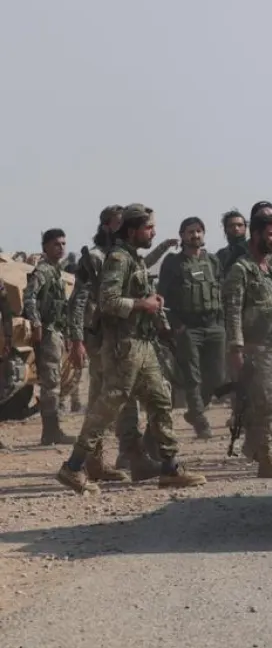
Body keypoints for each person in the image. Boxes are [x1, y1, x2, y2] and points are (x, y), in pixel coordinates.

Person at [55, 205, 206, 493]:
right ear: (133, 230)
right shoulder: (117, 258)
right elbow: (108, 300)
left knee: (160, 400)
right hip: (123, 345)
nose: (154, 232)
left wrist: (153, 309)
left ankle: (171, 468)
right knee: (110, 403)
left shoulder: (134, 258)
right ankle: (73, 467)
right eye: (149, 228)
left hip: (142, 343)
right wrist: (141, 305)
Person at [66, 205, 156, 479]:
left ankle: (128, 457)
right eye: (119, 224)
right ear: (107, 226)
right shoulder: (95, 258)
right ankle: (96, 461)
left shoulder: (126, 256)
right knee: (106, 400)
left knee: (120, 398)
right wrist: (76, 340)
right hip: (100, 339)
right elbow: (78, 301)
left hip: (125, 338)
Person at [223, 213, 272, 479]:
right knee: (265, 405)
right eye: (270, 235)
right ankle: (266, 460)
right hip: (255, 349)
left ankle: (269, 448)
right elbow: (233, 310)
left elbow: (269, 302)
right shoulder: (241, 270)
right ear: (255, 236)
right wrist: (236, 348)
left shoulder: (268, 269)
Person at [157, 216, 224, 439]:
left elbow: (221, 291)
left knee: (216, 375)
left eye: (198, 231)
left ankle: (197, 409)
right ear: (182, 236)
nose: (195, 235)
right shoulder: (173, 263)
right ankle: (199, 417)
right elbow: (162, 296)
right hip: (188, 326)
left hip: (214, 325)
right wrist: (175, 325)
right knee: (192, 376)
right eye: (190, 232)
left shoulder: (213, 261)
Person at [27, 228, 77, 445]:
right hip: (47, 332)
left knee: (56, 380)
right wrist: (37, 323)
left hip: (56, 331)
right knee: (51, 382)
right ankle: (50, 431)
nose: (61, 248)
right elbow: (29, 297)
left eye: (64, 244)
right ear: (46, 247)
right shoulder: (43, 271)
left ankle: (53, 429)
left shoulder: (57, 271)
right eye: (57, 244)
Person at [215, 209, 249, 275]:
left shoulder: (254, 250)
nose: (236, 228)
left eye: (240, 225)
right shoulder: (220, 255)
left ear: (245, 228)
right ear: (225, 229)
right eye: (231, 225)